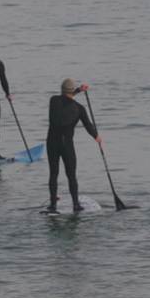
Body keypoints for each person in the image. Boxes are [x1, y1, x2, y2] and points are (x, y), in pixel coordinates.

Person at [46, 78, 99, 213]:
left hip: (52, 143)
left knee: (53, 173)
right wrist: (96, 137)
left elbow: (65, 98)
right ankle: (76, 205)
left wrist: (78, 90)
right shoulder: (79, 109)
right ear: (72, 91)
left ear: (61, 90)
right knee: (71, 175)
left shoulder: (53, 101)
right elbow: (88, 125)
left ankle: (53, 205)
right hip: (67, 145)